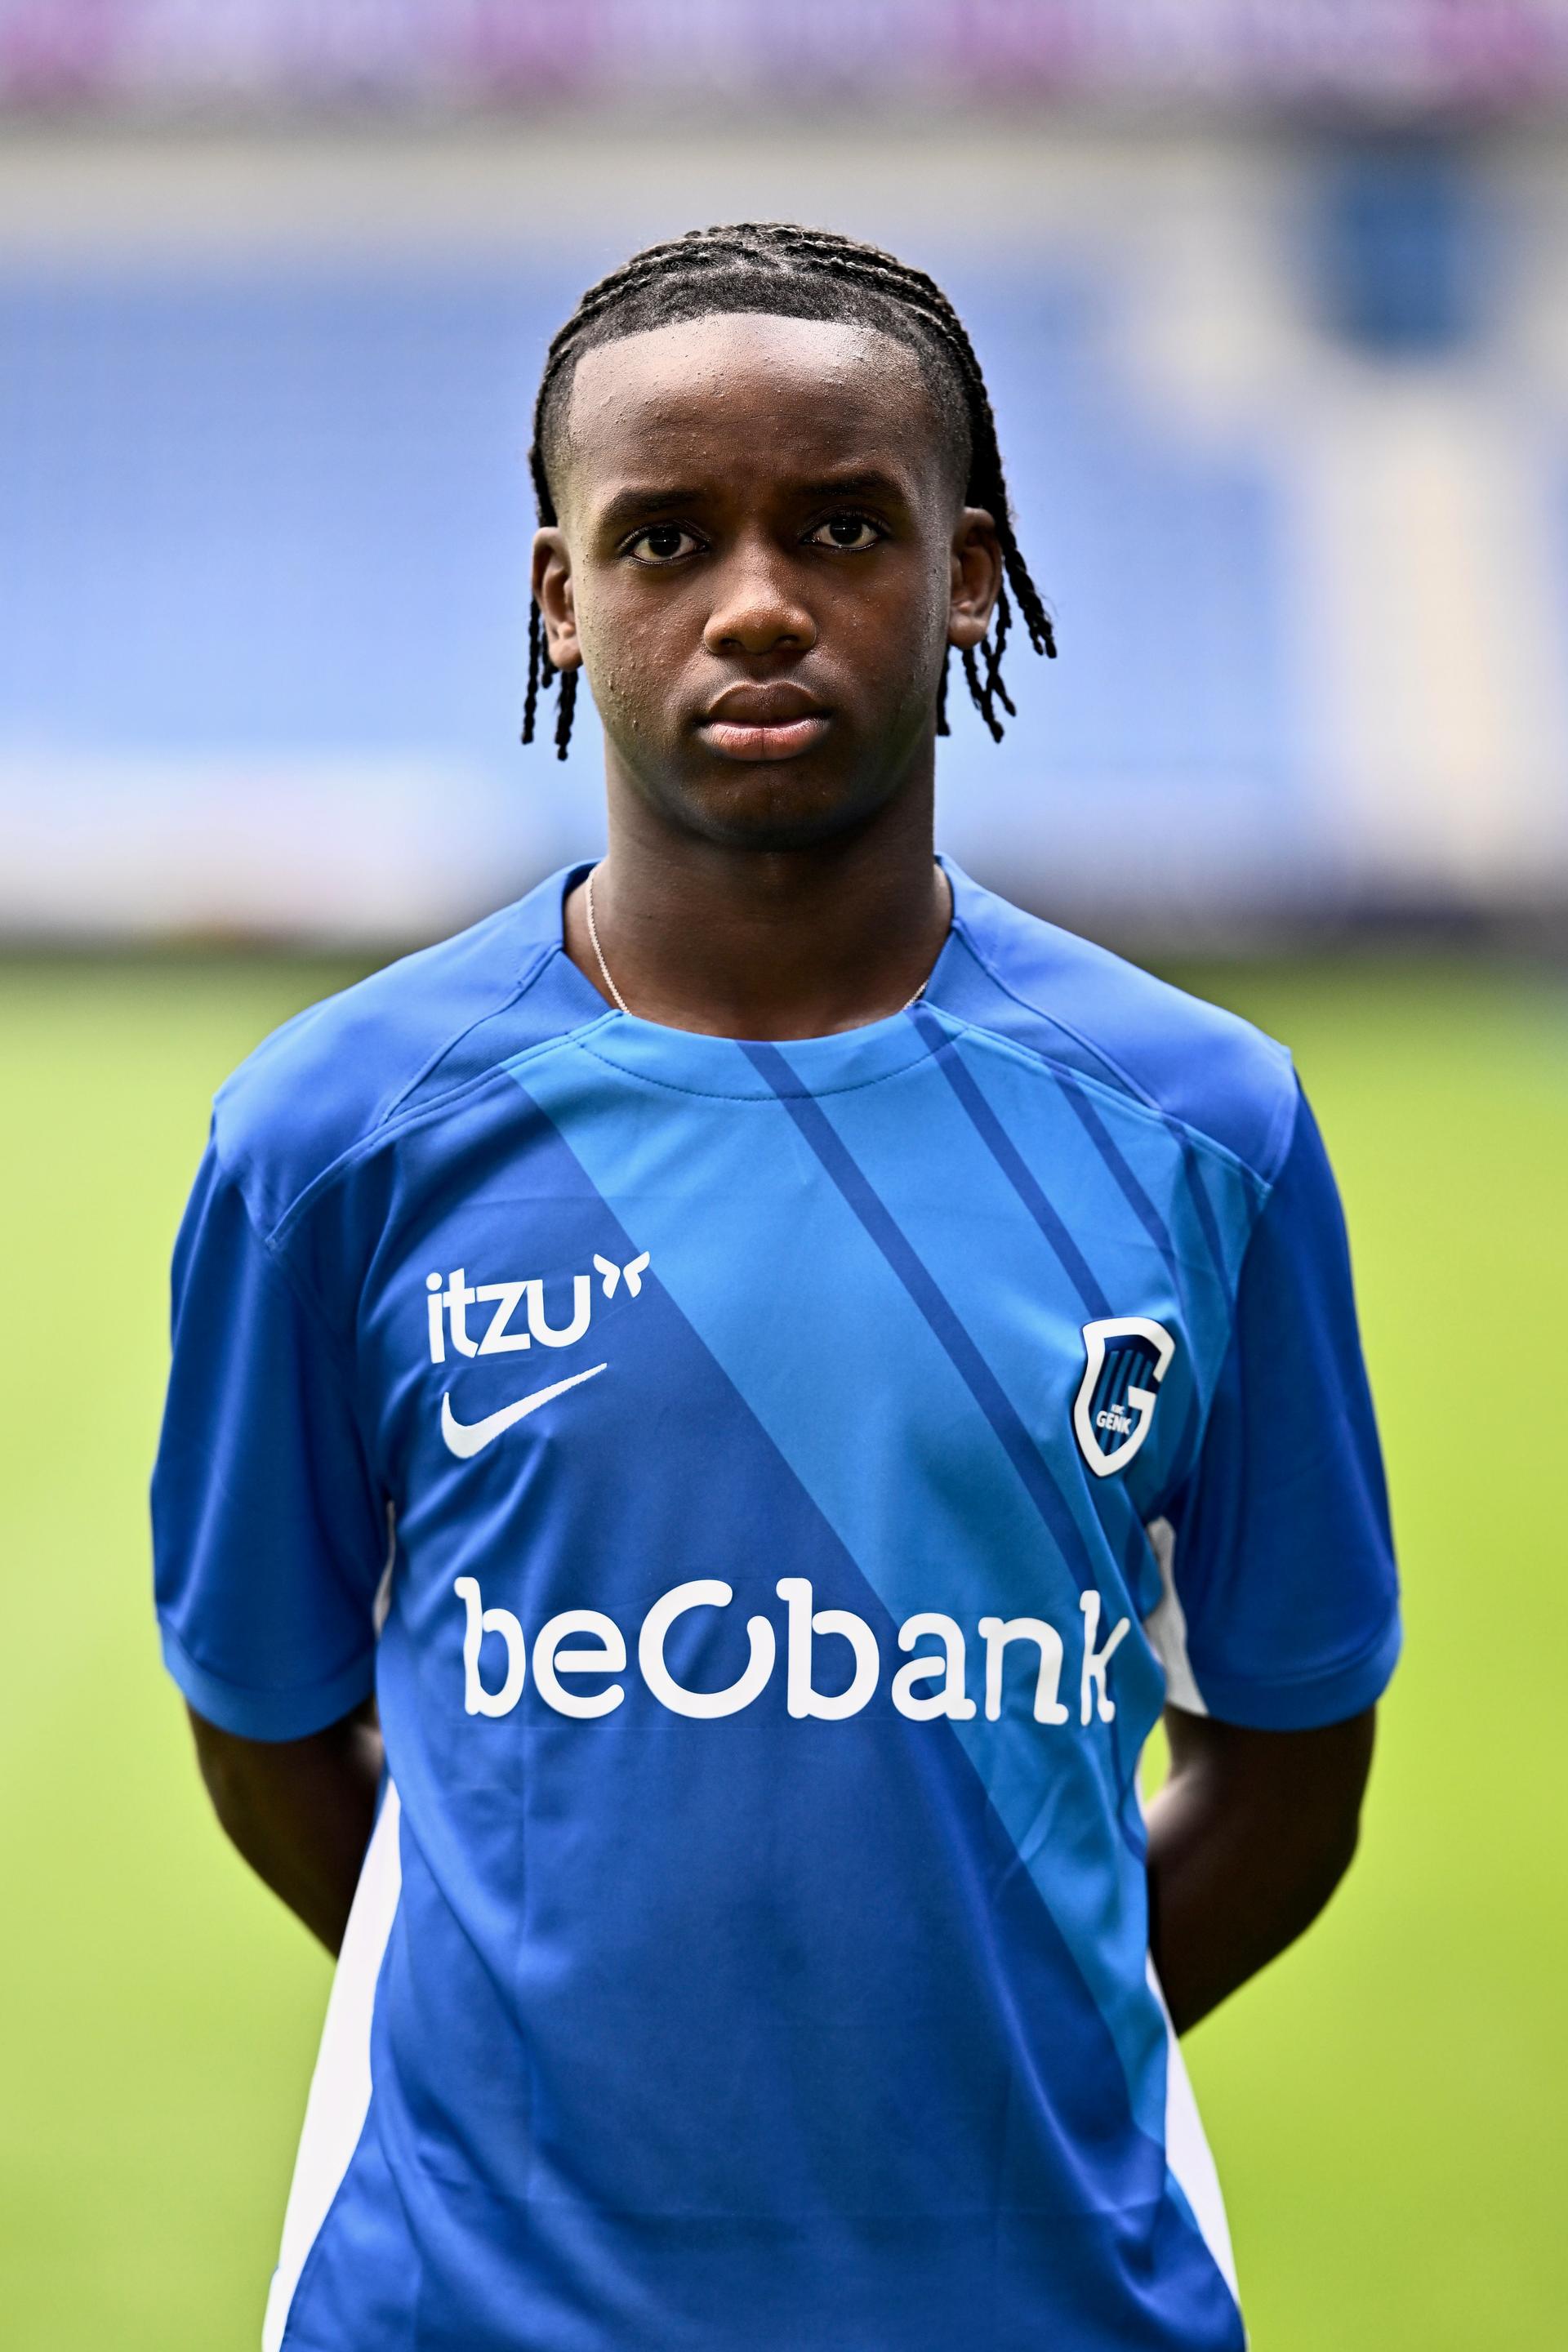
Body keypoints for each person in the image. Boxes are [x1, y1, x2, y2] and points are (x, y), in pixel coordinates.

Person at [152, 224, 1400, 2352]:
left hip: (1041, 2302)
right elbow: (272, 1732)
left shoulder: (1210, 1128)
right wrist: (567, 2061)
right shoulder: (329, 1142)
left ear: (969, 574)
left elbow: (1288, 1763)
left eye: (841, 525)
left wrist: (957, 2074)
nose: (753, 601)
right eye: (661, 538)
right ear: (561, 592)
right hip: (463, 2307)